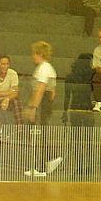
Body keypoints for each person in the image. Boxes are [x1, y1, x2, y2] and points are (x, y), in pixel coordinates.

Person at [22, 41, 63, 178]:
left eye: (34, 53)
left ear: (39, 53)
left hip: (41, 104)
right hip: (45, 103)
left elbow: (40, 90)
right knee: (41, 133)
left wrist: (34, 107)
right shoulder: (46, 68)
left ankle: (41, 166)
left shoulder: (44, 68)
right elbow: (52, 92)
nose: (32, 56)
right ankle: (48, 160)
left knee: (39, 134)